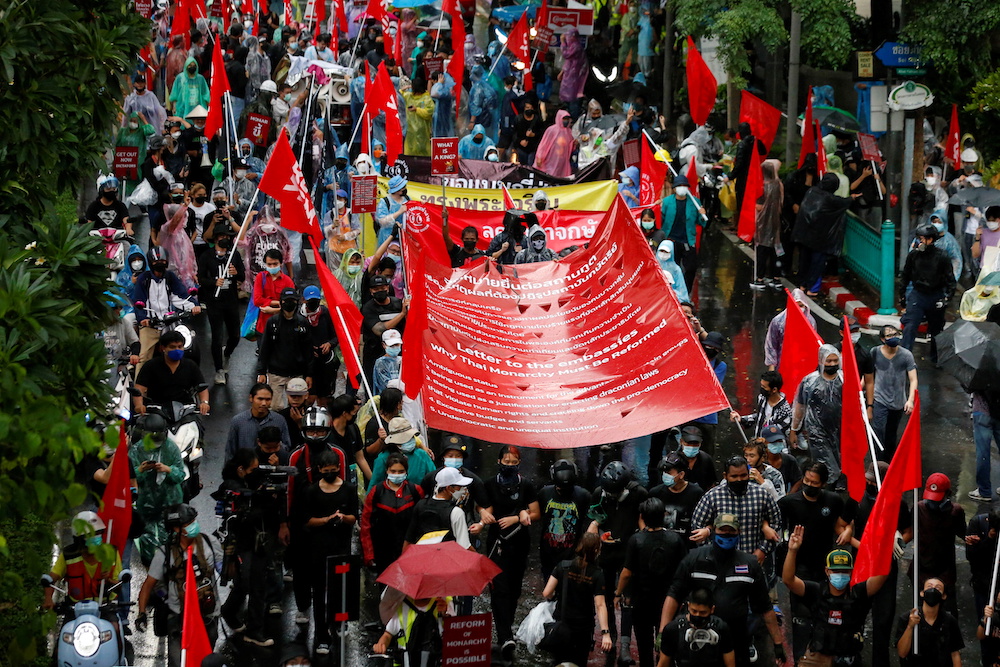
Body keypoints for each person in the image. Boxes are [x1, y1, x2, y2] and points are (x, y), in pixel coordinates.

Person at [661, 513, 786, 667]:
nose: (727, 534)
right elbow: (674, 595)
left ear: (739, 532)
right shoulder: (694, 559)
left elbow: (765, 607)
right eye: (722, 530)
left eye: (731, 531)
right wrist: (662, 633)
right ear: (714, 531)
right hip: (697, 639)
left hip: (736, 639)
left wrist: (778, 643)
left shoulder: (750, 564)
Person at [216, 448, 289, 647]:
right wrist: (262, 497)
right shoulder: (231, 486)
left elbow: (270, 502)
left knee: (256, 583)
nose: (256, 472)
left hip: (257, 541)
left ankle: (252, 628)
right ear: (241, 469)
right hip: (238, 542)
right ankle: (235, 614)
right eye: (253, 468)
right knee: (248, 581)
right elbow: (244, 509)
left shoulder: (254, 483)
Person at [135, 504, 223, 667]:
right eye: (188, 523)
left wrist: (232, 560)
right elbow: (148, 585)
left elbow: (225, 572)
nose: (194, 525)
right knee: (178, 663)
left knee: (204, 660)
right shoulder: (165, 554)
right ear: (176, 529)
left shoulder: (210, 543)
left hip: (209, 615)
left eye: (193, 521)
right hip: (179, 619)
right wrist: (141, 613)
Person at [783, 528, 887, 665]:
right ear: (827, 571)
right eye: (836, 570)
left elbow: (882, 574)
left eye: (845, 571)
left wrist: (885, 542)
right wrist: (792, 550)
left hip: (848, 659)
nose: (840, 574)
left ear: (851, 572)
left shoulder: (859, 592)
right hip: (818, 657)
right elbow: (788, 580)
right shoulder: (816, 590)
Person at [850, 461, 912, 667]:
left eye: (872, 481)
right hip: (861, 567)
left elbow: (908, 530)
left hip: (886, 568)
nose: (868, 483)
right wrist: (857, 543)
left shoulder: (897, 504)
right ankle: (851, 657)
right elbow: (842, 525)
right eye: (866, 480)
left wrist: (899, 539)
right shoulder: (857, 500)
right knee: (855, 616)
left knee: (883, 620)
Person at [587, 461, 648, 660]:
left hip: (628, 553)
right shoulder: (599, 493)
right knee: (605, 597)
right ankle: (611, 634)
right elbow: (594, 515)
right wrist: (595, 526)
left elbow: (643, 521)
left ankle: (625, 643)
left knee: (627, 598)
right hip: (606, 553)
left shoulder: (639, 494)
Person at [484, 445, 540, 658]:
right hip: (496, 544)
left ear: (519, 464)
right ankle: (504, 635)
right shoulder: (490, 484)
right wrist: (483, 517)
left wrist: (518, 517)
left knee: (514, 589)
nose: (509, 466)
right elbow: (483, 508)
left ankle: (507, 626)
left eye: (513, 463)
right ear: (499, 462)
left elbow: (535, 513)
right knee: (499, 589)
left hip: (519, 544)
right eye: (505, 462)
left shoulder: (526, 485)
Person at [300, 449, 358, 656]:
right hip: (318, 548)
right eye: (326, 471)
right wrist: (326, 519)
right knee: (319, 594)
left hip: (341, 547)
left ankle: (339, 621)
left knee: (340, 589)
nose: (330, 474)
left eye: (333, 470)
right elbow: (307, 521)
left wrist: (342, 517)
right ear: (319, 470)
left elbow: (354, 517)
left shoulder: (349, 490)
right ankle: (321, 636)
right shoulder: (311, 492)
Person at [616, 498, 686, 667]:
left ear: (642, 516)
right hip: (668, 601)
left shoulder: (636, 540)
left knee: (644, 645)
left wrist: (618, 593)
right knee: (667, 644)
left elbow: (626, 573)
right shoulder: (675, 539)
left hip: (642, 601)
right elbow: (684, 569)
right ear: (664, 515)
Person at [690, 456, 780, 565]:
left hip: (754, 560)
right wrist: (712, 552)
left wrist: (763, 549)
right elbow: (697, 526)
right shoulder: (712, 496)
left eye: (743, 475)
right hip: (719, 562)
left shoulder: (761, 494)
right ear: (725, 476)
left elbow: (775, 521)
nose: (739, 480)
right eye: (734, 476)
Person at [540, 533, 613, 667]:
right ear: (596, 551)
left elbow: (547, 592)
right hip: (583, 629)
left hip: (562, 625)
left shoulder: (564, 566)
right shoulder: (597, 574)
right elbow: (600, 605)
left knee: (559, 661)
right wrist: (605, 633)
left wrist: (555, 597)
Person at [131, 414, 186, 565]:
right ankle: (151, 572)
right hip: (146, 503)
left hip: (170, 501)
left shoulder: (171, 448)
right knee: (147, 541)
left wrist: (168, 469)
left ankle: (171, 569)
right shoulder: (136, 450)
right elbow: (129, 477)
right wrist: (141, 470)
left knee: (170, 540)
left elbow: (180, 474)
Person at [133, 246, 202, 367]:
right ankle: (139, 385)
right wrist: (142, 318)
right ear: (150, 262)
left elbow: (180, 296)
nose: (160, 264)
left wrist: (193, 306)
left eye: (162, 261)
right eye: (156, 262)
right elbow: (139, 301)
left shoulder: (170, 277)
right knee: (143, 358)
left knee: (187, 348)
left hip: (170, 323)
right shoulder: (144, 279)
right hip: (151, 325)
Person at [899, 223, 956, 361]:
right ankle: (904, 358)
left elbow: (950, 280)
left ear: (931, 240)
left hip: (936, 296)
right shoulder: (914, 256)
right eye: (919, 238)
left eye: (923, 239)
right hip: (918, 295)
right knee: (910, 326)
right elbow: (905, 275)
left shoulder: (942, 257)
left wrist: (946, 298)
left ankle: (936, 358)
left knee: (936, 329)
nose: (920, 242)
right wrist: (902, 297)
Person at [42, 511, 123, 608]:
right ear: (79, 538)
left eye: (97, 533)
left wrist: (108, 580)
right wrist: (48, 599)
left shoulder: (111, 553)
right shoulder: (68, 555)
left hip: (105, 606)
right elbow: (51, 579)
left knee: (114, 624)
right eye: (89, 535)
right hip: (75, 608)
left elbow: (119, 586)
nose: (95, 537)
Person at [362, 452, 424, 573]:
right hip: (383, 551)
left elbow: (423, 522)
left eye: (400, 471)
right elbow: (366, 525)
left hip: (409, 549)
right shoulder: (376, 492)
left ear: (406, 472)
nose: (396, 474)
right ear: (387, 471)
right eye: (393, 471)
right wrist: (369, 555)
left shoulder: (415, 491)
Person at [914, 473, 967, 618]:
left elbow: (963, 533)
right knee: (921, 612)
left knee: (948, 613)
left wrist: (971, 538)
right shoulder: (919, 508)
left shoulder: (956, 511)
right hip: (922, 568)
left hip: (945, 570)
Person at [197, 225, 244, 385]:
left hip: (231, 301)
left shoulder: (234, 255)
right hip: (214, 302)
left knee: (235, 336)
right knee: (217, 338)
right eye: (223, 236)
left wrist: (236, 273)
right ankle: (218, 370)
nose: (227, 240)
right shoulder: (206, 256)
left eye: (229, 237)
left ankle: (227, 353)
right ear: (216, 238)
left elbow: (242, 276)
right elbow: (201, 279)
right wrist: (213, 282)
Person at [790, 344, 844, 480]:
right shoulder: (810, 382)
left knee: (839, 461)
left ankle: (834, 487)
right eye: (829, 361)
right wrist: (794, 429)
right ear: (821, 361)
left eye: (835, 361)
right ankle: (824, 490)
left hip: (839, 429)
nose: (832, 364)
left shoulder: (844, 380)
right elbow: (800, 406)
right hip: (816, 430)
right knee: (827, 466)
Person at [864, 324, 918, 459]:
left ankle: (888, 463)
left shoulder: (906, 355)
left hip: (898, 402)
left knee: (891, 434)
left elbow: (913, 379)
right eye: (889, 335)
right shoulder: (875, 353)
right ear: (882, 339)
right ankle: (876, 462)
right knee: (878, 431)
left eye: (895, 334)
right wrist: (858, 391)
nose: (893, 338)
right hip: (879, 399)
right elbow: (868, 376)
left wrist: (910, 400)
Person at [256, 288, 311, 411]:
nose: (290, 303)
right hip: (276, 373)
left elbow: (308, 350)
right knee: (276, 408)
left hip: (297, 373)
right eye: (287, 301)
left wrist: (309, 374)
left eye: (292, 301)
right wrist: (261, 372)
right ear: (281, 302)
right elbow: (265, 348)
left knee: (296, 408)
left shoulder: (303, 323)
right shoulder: (272, 322)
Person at [537, 459, 592, 582]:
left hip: (572, 553)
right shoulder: (544, 493)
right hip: (548, 552)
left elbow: (589, 519)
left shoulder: (583, 496)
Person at [133, 329, 209, 414]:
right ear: (163, 348)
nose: (177, 350)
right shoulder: (151, 365)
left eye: (180, 347)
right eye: (172, 347)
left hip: (185, 410)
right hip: (158, 410)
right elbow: (139, 389)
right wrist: (139, 405)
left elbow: (202, 387)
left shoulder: (190, 365)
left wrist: (204, 403)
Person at [656, 587, 735, 667]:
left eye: (703, 612)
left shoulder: (721, 628)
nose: (698, 615)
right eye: (694, 611)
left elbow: (730, 664)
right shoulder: (673, 629)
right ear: (688, 606)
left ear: (712, 609)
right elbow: (663, 663)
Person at [896, 578, 963, 667]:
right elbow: (902, 653)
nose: (933, 590)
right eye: (929, 586)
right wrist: (910, 627)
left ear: (943, 596)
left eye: (938, 588)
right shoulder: (907, 618)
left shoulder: (949, 620)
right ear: (922, 593)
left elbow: (955, 653)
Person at [647, 453, 705, 547]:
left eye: (669, 473)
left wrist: (706, 531)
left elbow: (706, 521)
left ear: (681, 474)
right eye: (664, 472)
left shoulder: (696, 493)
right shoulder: (655, 492)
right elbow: (643, 517)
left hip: (687, 546)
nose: (665, 475)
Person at [660, 175, 706, 291]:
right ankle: (670, 293)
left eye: (684, 186)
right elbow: (661, 219)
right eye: (679, 186)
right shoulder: (666, 202)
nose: (682, 188)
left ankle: (686, 293)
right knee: (669, 270)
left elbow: (702, 222)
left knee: (690, 269)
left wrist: (702, 214)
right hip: (671, 241)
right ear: (674, 188)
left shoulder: (695, 202)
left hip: (688, 241)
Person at [225, 383, 292, 461]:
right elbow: (230, 451)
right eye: (260, 399)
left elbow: (287, 447)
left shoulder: (279, 420)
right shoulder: (238, 421)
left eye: (268, 399)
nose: (264, 403)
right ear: (251, 398)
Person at [361, 275, 407, 384]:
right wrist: (402, 314)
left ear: (387, 288)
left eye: (382, 288)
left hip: (397, 353)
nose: (379, 291)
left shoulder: (398, 303)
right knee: (374, 384)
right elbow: (379, 329)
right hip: (374, 353)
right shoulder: (367, 308)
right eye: (376, 289)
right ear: (371, 291)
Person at [369, 417, 435, 488]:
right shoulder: (383, 459)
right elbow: (374, 487)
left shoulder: (422, 455)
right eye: (406, 439)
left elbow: (433, 479)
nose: (410, 440)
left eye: (411, 437)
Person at [730, 370, 792, 439]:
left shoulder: (785, 410)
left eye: (764, 387)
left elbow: (780, 433)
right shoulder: (762, 398)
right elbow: (760, 416)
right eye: (761, 386)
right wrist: (742, 419)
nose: (762, 389)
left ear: (774, 389)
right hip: (759, 444)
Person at [763, 289, 815, 370]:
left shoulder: (810, 322)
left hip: (801, 364)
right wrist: (772, 367)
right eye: (796, 305)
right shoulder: (778, 321)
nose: (799, 309)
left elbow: (812, 346)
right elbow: (771, 344)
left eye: (801, 306)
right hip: (782, 362)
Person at [752, 160, 784, 289]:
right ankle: (775, 278)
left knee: (762, 251)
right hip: (776, 223)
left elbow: (759, 207)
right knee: (776, 251)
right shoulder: (778, 185)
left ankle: (759, 278)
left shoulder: (762, 187)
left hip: (762, 225)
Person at [252, 248, 296, 340]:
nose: (272, 267)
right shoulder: (260, 277)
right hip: (263, 326)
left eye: (275, 264)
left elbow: (291, 305)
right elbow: (257, 300)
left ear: (280, 263)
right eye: (269, 264)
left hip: (282, 326)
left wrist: (274, 310)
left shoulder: (288, 281)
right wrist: (277, 303)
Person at [760, 425, 803, 495]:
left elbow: (798, 480)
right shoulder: (759, 462)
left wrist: (789, 496)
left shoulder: (789, 460)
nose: (777, 443)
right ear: (764, 442)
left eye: (779, 441)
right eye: (773, 442)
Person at [533, 110, 575, 178]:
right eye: (564, 118)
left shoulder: (569, 132)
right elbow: (544, 144)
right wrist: (539, 157)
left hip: (562, 162)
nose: (566, 121)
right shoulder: (551, 130)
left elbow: (571, 147)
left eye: (567, 119)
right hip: (550, 159)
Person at [676, 426, 718, 491]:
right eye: (689, 443)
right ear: (681, 441)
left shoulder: (706, 459)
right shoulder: (674, 460)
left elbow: (711, 484)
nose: (692, 446)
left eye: (695, 444)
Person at [402, 77, 434, 156]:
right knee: (410, 151)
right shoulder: (408, 96)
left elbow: (429, 113)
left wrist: (417, 109)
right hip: (410, 132)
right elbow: (398, 94)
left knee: (423, 151)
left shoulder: (427, 99)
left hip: (423, 132)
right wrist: (405, 88)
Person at [373, 329, 403, 395]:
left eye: (397, 344)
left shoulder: (402, 360)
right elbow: (385, 384)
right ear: (384, 345)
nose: (395, 347)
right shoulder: (381, 362)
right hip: (389, 398)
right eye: (391, 345)